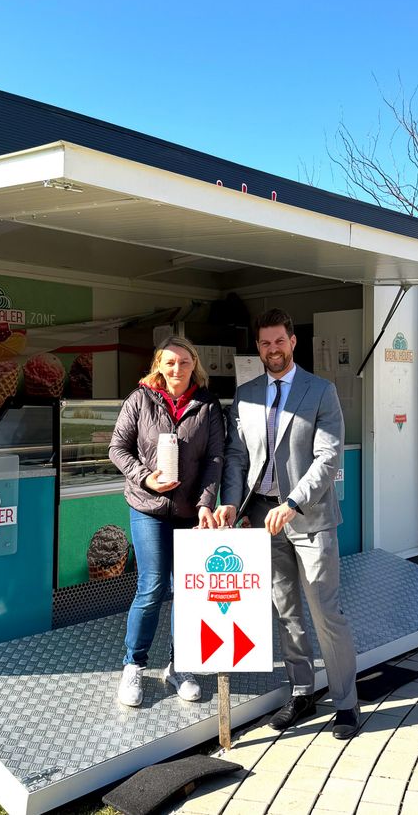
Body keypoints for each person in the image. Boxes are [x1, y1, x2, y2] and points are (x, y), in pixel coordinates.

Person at [214, 308, 359, 739]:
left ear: (293, 342)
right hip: (262, 518)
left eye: (279, 341)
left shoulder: (321, 391)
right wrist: (230, 504)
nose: (272, 349)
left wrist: (294, 502)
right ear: (257, 348)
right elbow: (238, 457)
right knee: (286, 610)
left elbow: (328, 456)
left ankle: (346, 702)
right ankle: (301, 692)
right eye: (264, 343)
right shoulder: (247, 394)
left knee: (325, 611)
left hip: (309, 518)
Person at [109, 336, 224, 707]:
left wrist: (207, 502)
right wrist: (145, 478)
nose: (177, 369)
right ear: (158, 364)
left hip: (191, 514)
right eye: (170, 362)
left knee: (187, 591)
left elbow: (215, 459)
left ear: (195, 365)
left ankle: (179, 666)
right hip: (148, 509)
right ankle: (134, 666)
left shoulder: (207, 405)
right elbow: (117, 448)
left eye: (185, 362)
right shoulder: (139, 399)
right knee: (152, 587)